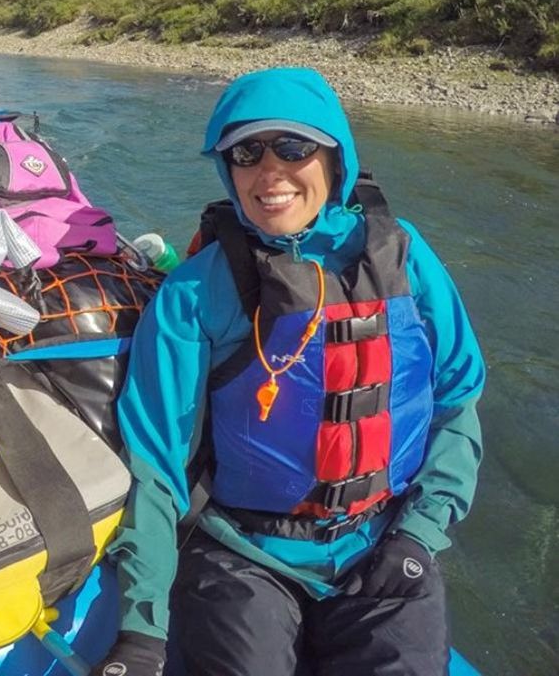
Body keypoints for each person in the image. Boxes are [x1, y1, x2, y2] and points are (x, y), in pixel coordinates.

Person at [96, 67, 485, 676]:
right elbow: (156, 466)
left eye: (293, 146)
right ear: (228, 168)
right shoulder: (194, 294)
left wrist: (419, 534)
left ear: (335, 158)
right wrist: (142, 629)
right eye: (246, 152)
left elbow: (456, 399)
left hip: (382, 542)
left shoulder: (404, 256)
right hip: (241, 553)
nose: (269, 171)